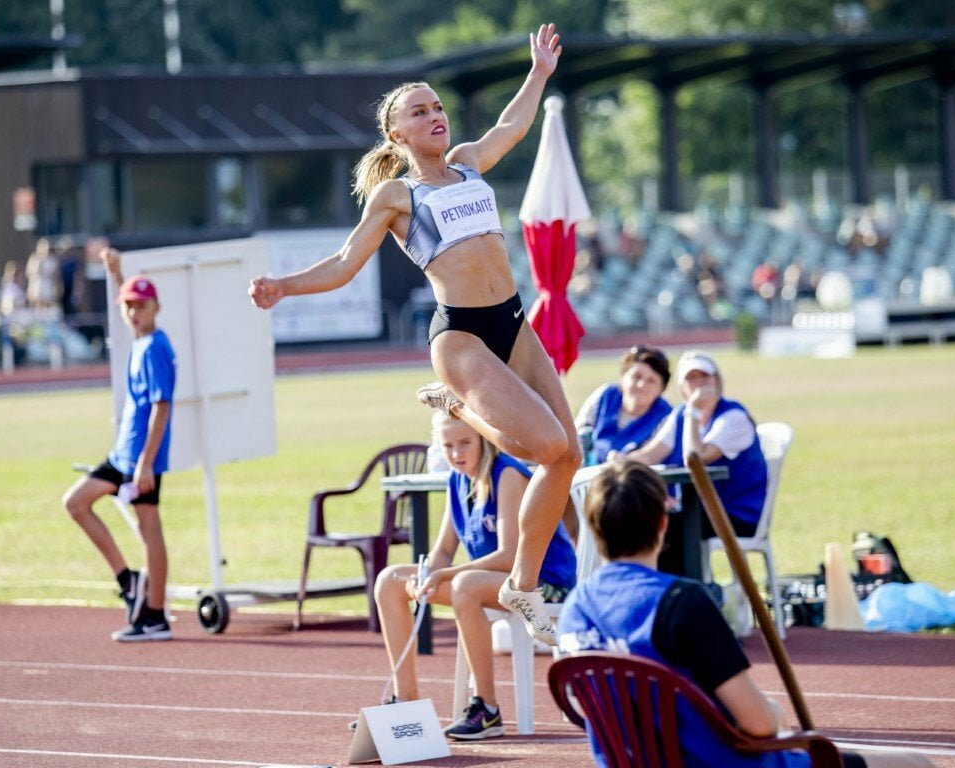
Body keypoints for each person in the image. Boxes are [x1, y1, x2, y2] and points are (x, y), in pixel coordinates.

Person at [247, 23, 580, 645]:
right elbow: (347, 263)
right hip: (461, 338)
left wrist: (537, 73)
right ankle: (457, 405)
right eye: (419, 111)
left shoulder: (466, 164)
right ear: (395, 133)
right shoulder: (398, 194)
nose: (435, 116)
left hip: (512, 320)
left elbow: (511, 127)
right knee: (542, 447)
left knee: (571, 455)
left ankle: (522, 586)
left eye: (438, 107)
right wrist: (284, 285)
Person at [559, 460, 936, 768]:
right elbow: (756, 724)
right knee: (914, 763)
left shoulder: (575, 609)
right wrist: (775, 715)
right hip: (718, 762)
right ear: (662, 524)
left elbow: (583, 705)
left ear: (593, 526)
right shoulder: (681, 601)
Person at [368, 412, 576, 740]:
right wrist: (425, 574)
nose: (456, 453)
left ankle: (487, 710)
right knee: (390, 581)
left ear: (484, 438)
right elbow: (442, 553)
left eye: (465, 442)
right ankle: (404, 701)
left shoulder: (507, 473)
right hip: (489, 583)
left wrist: (446, 574)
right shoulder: (457, 479)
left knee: (464, 585)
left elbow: (510, 556)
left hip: (541, 583)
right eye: (447, 445)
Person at [61, 248, 177, 642]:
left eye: (140, 305)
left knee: (149, 529)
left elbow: (163, 407)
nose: (133, 312)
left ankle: (156, 615)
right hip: (122, 453)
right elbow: (125, 308)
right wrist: (117, 274)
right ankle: (129, 581)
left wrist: (146, 462)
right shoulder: (141, 340)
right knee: (76, 503)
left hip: (140, 457)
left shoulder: (157, 347)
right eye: (128, 306)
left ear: (156, 306)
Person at [621, 350, 766, 575]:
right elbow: (651, 454)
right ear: (681, 387)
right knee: (642, 521)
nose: (698, 383)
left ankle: (685, 595)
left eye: (704, 376)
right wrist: (619, 462)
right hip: (697, 509)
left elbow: (695, 458)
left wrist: (695, 410)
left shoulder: (732, 417)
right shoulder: (682, 415)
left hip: (735, 513)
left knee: (666, 528)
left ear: (716, 381)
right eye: (691, 378)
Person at [574, 345, 672, 464]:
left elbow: (651, 456)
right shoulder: (604, 395)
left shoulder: (667, 417)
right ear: (622, 378)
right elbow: (577, 434)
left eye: (651, 381)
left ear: (661, 389)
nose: (642, 385)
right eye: (637, 376)